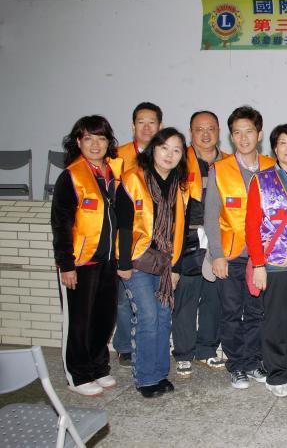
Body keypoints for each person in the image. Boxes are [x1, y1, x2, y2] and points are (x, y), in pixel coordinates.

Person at [51, 115, 124, 396]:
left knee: (103, 319)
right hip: (80, 263)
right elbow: (61, 224)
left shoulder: (113, 174)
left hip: (108, 261)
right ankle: (78, 375)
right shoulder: (71, 176)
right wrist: (66, 265)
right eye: (88, 138)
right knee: (78, 321)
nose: (95, 144)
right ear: (78, 142)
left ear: (108, 142)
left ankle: (98, 367)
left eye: (101, 138)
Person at [205, 106, 275, 390]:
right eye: (237, 133)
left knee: (257, 312)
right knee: (232, 312)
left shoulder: (272, 166)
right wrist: (217, 255)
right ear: (231, 136)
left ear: (260, 134)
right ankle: (237, 365)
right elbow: (211, 216)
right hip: (232, 255)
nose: (243, 138)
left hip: (263, 258)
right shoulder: (220, 170)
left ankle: (254, 361)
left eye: (249, 131)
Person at [116, 127, 189, 398]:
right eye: (164, 148)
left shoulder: (181, 186)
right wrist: (124, 263)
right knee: (147, 317)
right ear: (153, 150)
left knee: (163, 317)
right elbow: (123, 226)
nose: (169, 154)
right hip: (137, 260)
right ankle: (146, 378)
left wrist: (176, 268)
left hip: (166, 264)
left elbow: (181, 230)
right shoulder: (133, 179)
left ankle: (160, 374)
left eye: (176, 150)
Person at [246, 124, 287, 398]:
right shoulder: (261, 180)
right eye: (283, 143)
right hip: (275, 263)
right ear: (274, 148)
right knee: (275, 320)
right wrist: (258, 264)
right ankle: (275, 375)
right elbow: (251, 226)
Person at [171, 111, 226, 378]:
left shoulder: (228, 163)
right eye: (199, 129)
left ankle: (207, 349)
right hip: (188, 238)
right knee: (186, 297)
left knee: (214, 297)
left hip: (219, 239)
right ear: (190, 132)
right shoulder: (179, 161)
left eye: (211, 128)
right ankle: (183, 353)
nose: (205, 134)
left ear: (219, 132)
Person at [113, 101, 163, 367]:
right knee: (124, 298)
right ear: (133, 126)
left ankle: (147, 345)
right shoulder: (117, 156)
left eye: (151, 122)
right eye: (141, 122)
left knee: (153, 304)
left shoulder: (166, 155)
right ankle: (124, 345)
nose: (146, 127)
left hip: (156, 243)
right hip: (127, 240)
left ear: (160, 126)